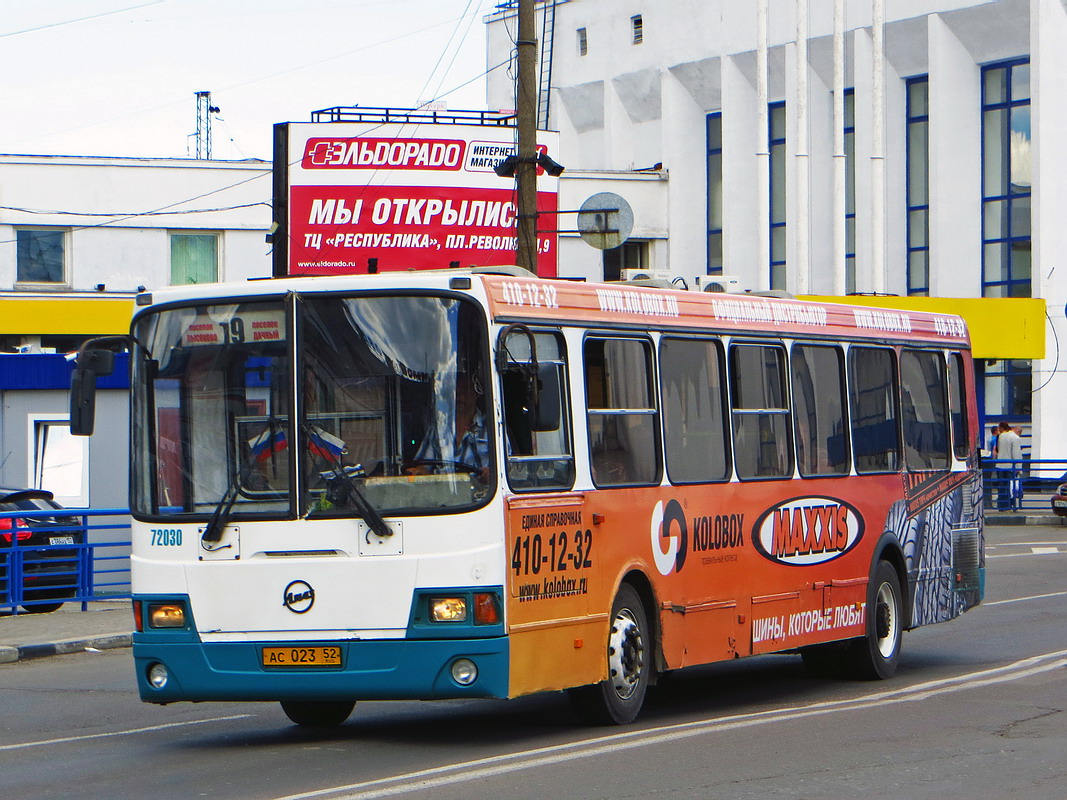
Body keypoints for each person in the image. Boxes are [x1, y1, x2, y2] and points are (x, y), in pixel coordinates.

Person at [409, 374, 490, 482]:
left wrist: (490, 474)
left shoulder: (492, 429)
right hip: (442, 492)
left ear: (476, 392)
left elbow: (507, 467)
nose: (459, 396)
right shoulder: (438, 428)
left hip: (480, 494)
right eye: (455, 390)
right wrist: (418, 472)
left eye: (464, 390)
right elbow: (423, 465)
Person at [996, 421, 1023, 511]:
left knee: (1001, 486)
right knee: (1009, 487)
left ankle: (1001, 506)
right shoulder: (1015, 438)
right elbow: (1016, 454)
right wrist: (1018, 468)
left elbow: (998, 449)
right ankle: (1009, 505)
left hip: (1000, 465)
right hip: (1010, 466)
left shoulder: (1001, 436)